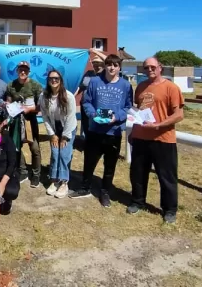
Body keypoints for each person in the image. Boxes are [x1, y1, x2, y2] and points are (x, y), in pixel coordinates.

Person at [71, 54, 133, 207]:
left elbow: (128, 107)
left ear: (119, 68)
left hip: (114, 131)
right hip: (95, 130)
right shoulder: (94, 82)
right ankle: (85, 187)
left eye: (115, 65)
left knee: (110, 164)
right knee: (89, 161)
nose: (112, 68)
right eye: (109, 64)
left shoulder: (125, 86)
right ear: (105, 65)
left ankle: (105, 191)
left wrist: (116, 117)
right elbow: (86, 101)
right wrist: (93, 114)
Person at [128, 57, 185, 224]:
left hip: (163, 139)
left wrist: (158, 125)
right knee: (138, 173)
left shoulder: (171, 88)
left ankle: (169, 210)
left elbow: (179, 114)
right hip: (141, 138)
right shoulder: (140, 87)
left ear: (160, 68)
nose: (149, 70)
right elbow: (138, 110)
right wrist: (133, 131)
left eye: (152, 67)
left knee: (167, 177)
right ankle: (137, 201)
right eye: (146, 68)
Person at [38, 70, 77, 199]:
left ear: (60, 80)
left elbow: (71, 117)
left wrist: (65, 136)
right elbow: (45, 116)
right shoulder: (44, 96)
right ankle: (54, 180)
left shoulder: (68, 96)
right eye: (51, 78)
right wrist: (52, 134)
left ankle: (64, 182)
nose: (53, 80)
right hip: (54, 128)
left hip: (68, 127)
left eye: (56, 78)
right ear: (48, 80)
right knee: (55, 153)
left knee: (64, 154)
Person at [6, 61, 43, 187]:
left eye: (25, 70)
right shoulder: (11, 85)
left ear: (29, 72)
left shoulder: (35, 85)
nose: (23, 72)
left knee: (35, 148)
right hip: (16, 120)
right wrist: (7, 106)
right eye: (20, 69)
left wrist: (30, 109)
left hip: (29, 120)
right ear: (17, 71)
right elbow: (9, 102)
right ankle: (23, 171)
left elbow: (41, 106)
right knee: (17, 147)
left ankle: (36, 174)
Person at [75, 52, 106, 142]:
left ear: (104, 64)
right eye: (95, 63)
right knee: (86, 124)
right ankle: (88, 142)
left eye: (99, 64)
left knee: (99, 124)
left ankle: (99, 144)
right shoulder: (88, 73)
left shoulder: (106, 75)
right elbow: (80, 87)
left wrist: (95, 51)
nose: (97, 66)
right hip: (85, 104)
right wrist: (72, 97)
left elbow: (109, 60)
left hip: (99, 105)